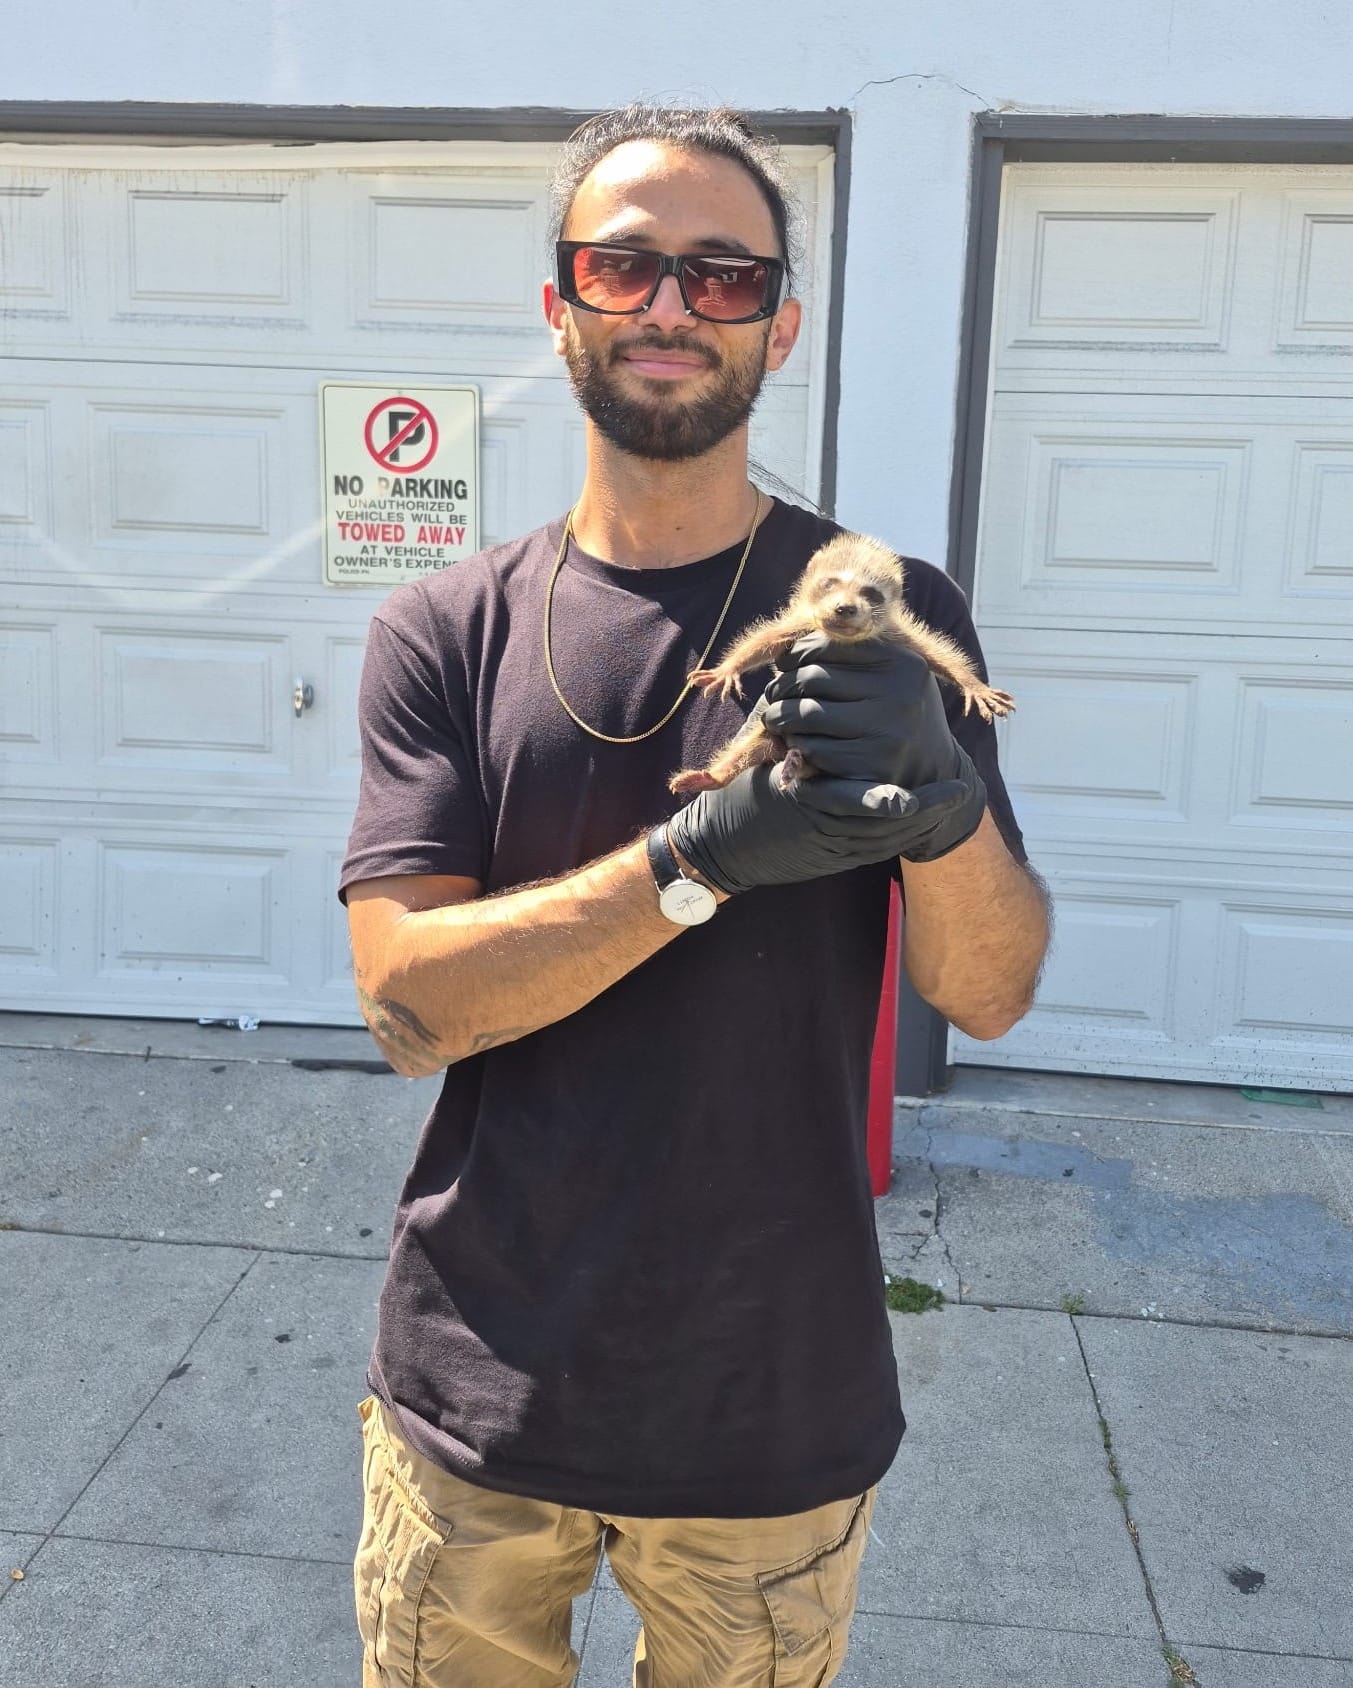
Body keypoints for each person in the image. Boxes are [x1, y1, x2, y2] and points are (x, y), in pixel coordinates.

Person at [340, 103, 1050, 1688]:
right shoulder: (445, 629)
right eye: (627, 266)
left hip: (772, 1395)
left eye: (724, 276)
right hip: (479, 1384)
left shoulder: (883, 609)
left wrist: (941, 815)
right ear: (561, 306)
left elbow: (990, 991)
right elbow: (405, 1005)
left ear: (779, 326)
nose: (671, 305)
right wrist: (689, 864)